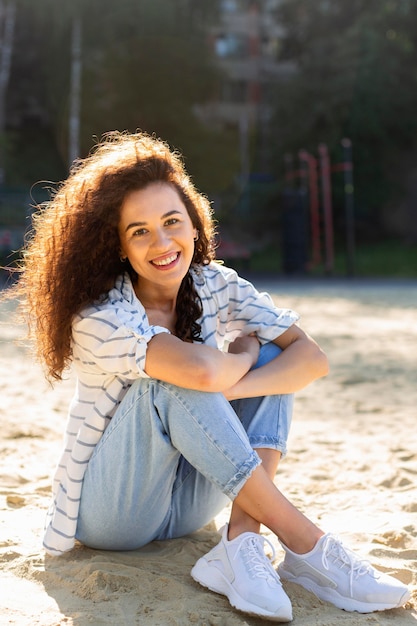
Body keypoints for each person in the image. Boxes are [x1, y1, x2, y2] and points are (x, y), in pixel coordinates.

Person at [9, 131, 410, 622]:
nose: (162, 243)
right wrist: (239, 358)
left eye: (172, 221)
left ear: (195, 226)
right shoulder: (101, 315)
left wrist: (240, 373)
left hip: (190, 506)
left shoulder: (216, 282)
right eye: (139, 231)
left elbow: (312, 359)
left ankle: (241, 543)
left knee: (272, 365)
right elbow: (197, 371)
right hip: (114, 513)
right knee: (177, 374)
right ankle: (307, 543)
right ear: (119, 248)